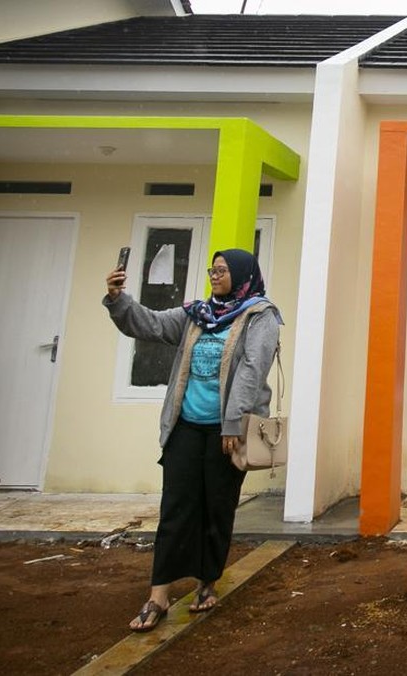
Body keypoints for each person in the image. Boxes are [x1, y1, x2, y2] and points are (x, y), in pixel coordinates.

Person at [104, 248, 282, 632]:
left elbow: (252, 370)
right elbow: (150, 325)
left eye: (222, 270)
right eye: (212, 270)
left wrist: (231, 424)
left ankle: (207, 582)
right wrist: (118, 300)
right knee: (175, 508)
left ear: (242, 274)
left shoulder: (260, 316)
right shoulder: (196, 315)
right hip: (185, 426)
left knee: (216, 507)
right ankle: (158, 596)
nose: (215, 276)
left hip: (226, 432)